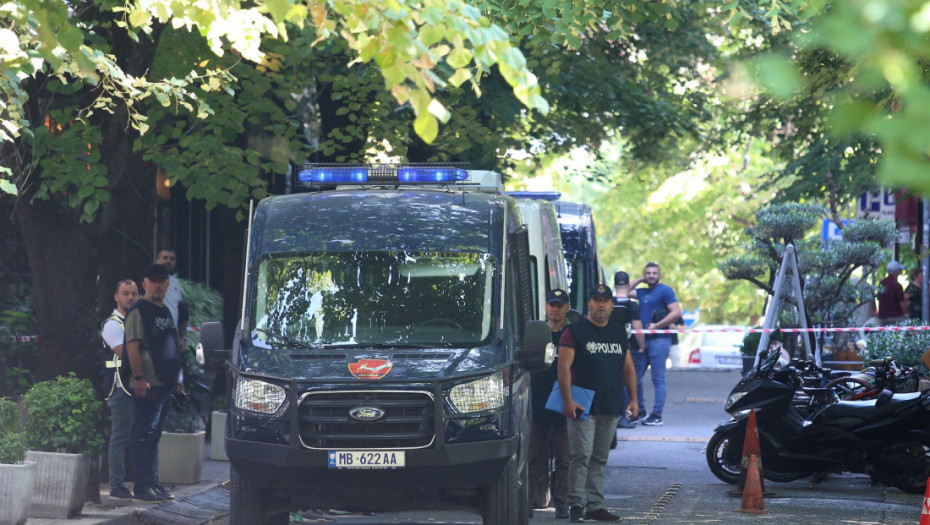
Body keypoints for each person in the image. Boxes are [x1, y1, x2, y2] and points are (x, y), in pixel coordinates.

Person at [557, 284, 638, 522]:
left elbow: (628, 368)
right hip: (582, 401)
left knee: (600, 458)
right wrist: (567, 400)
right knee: (580, 455)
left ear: (612, 305)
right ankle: (576, 506)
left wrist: (633, 399)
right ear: (589, 304)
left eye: (605, 300)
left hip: (611, 403)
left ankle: (595, 505)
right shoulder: (574, 331)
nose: (601, 304)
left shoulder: (618, 332)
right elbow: (563, 368)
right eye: (597, 300)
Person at [122, 264, 184, 502]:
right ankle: (142, 486)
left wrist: (178, 378)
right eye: (153, 281)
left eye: (162, 281)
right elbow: (133, 346)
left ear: (167, 284)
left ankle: (152, 483)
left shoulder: (165, 312)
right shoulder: (139, 310)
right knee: (143, 435)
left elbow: (171, 346)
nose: (158, 286)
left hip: (165, 381)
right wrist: (139, 378)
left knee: (154, 435)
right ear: (145, 283)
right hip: (148, 382)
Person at [528, 289, 572, 519]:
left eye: (560, 305)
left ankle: (561, 503)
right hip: (538, 401)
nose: (555, 308)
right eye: (551, 304)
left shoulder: (573, 333)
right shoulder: (537, 332)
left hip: (565, 401)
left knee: (564, 457)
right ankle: (529, 501)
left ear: (567, 308)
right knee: (535, 456)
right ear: (546, 306)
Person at [629, 262, 681, 427]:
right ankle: (640, 411)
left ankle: (656, 415)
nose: (651, 275)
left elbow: (676, 312)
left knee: (658, 379)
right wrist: (639, 279)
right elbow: (622, 292)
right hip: (641, 341)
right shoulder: (642, 291)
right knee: (635, 377)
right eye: (648, 273)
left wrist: (657, 326)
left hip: (660, 340)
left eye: (654, 273)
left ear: (659, 274)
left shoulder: (665, 290)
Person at [101, 279, 139, 499]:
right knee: (121, 437)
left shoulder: (135, 321)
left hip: (135, 385)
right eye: (125, 294)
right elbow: (125, 352)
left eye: (134, 293)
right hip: (120, 387)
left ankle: (134, 482)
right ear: (116, 297)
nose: (130, 298)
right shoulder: (114, 324)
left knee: (136, 436)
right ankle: (116, 484)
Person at [611, 271, 644, 429]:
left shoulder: (607, 302)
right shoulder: (632, 305)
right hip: (629, 348)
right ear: (628, 283)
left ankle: (614, 414)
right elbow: (637, 327)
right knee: (629, 381)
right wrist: (642, 346)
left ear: (614, 283)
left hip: (610, 348)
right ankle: (626, 415)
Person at [155, 248, 188, 349]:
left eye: (172, 259)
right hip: (154, 335)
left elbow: (181, 311)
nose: (168, 261)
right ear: (157, 260)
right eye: (165, 258)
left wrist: (183, 337)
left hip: (172, 336)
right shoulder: (149, 280)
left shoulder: (175, 283)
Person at [877, 261, 908, 325]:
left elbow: (878, 298)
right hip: (896, 317)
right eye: (899, 270)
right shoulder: (897, 285)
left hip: (882, 318)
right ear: (896, 271)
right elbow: (903, 304)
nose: (900, 272)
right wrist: (906, 313)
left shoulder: (882, 283)